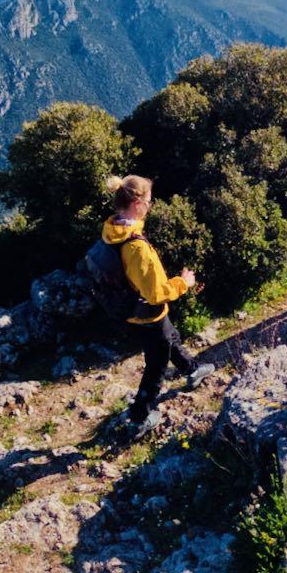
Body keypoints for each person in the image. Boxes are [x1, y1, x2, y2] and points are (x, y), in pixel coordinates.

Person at [100, 175, 214, 440]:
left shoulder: (113, 230)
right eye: (149, 202)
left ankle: (192, 369)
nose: (150, 207)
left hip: (133, 313)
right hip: (146, 314)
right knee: (156, 365)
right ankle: (139, 419)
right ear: (138, 203)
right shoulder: (136, 247)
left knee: (169, 337)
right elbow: (155, 294)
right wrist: (183, 283)